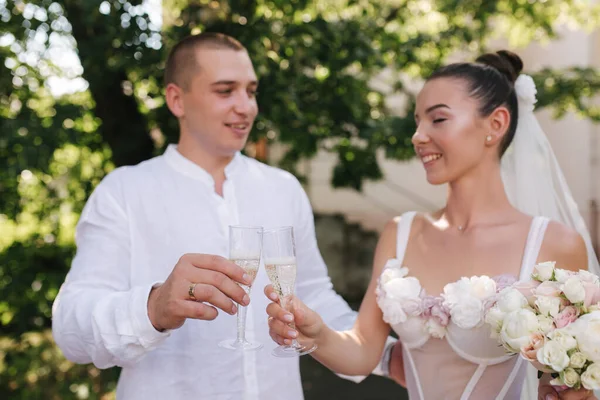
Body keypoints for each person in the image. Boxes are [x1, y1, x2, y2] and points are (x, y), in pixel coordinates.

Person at [51, 32, 399, 399]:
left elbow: (314, 295)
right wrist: (152, 307)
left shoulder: (284, 188)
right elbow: (70, 326)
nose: (246, 107)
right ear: (176, 99)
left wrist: (384, 356)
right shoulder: (123, 192)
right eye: (225, 90)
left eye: (251, 91)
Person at [265, 50, 600, 400]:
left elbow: (574, 376)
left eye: (438, 120)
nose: (417, 136)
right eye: (417, 121)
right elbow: (363, 351)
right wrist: (318, 335)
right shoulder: (400, 233)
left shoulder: (553, 244)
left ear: (496, 124)